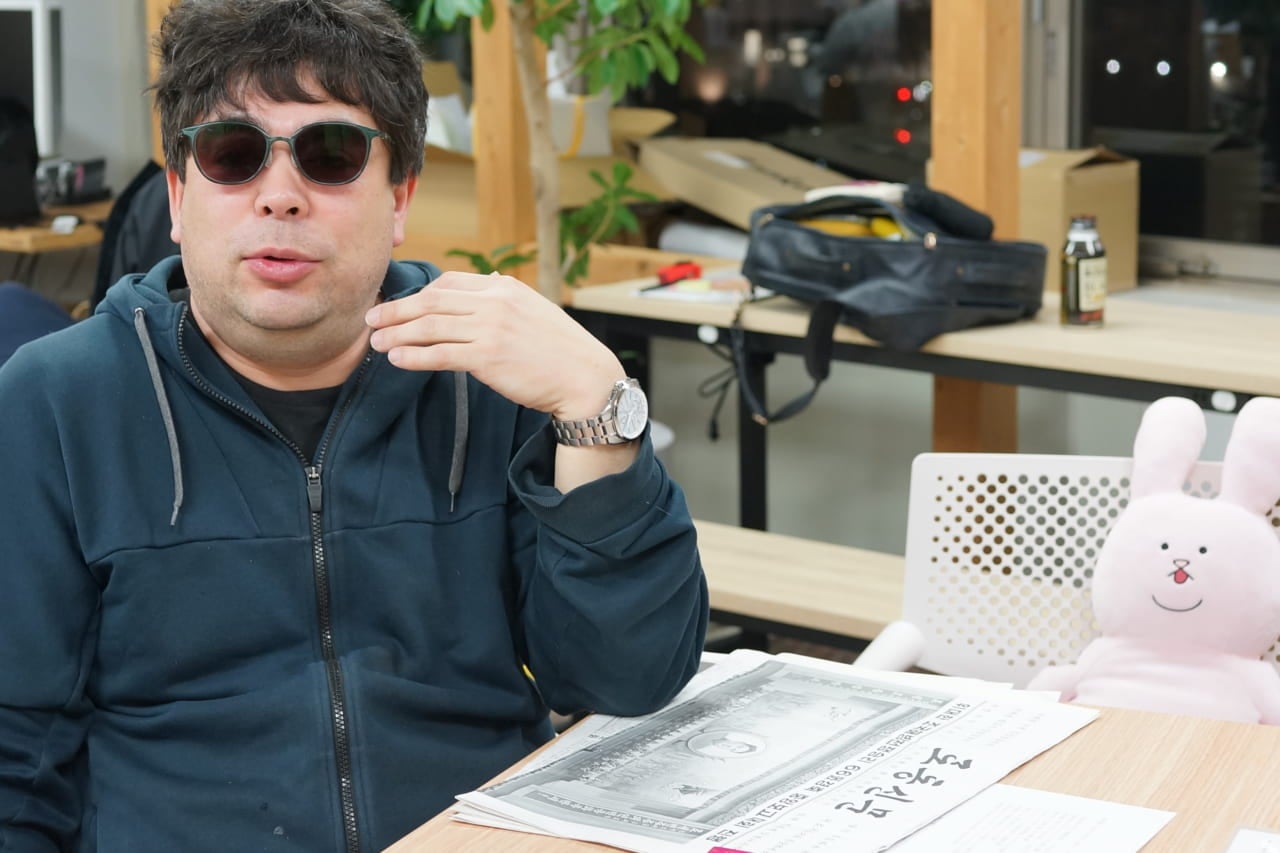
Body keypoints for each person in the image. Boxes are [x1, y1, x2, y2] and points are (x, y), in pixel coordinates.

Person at [0, 1, 708, 850]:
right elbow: (15, 761)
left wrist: (597, 404)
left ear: (399, 198)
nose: (280, 197)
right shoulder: (57, 402)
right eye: (233, 154)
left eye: (330, 155)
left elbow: (627, 678)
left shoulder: (488, 374)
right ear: (180, 197)